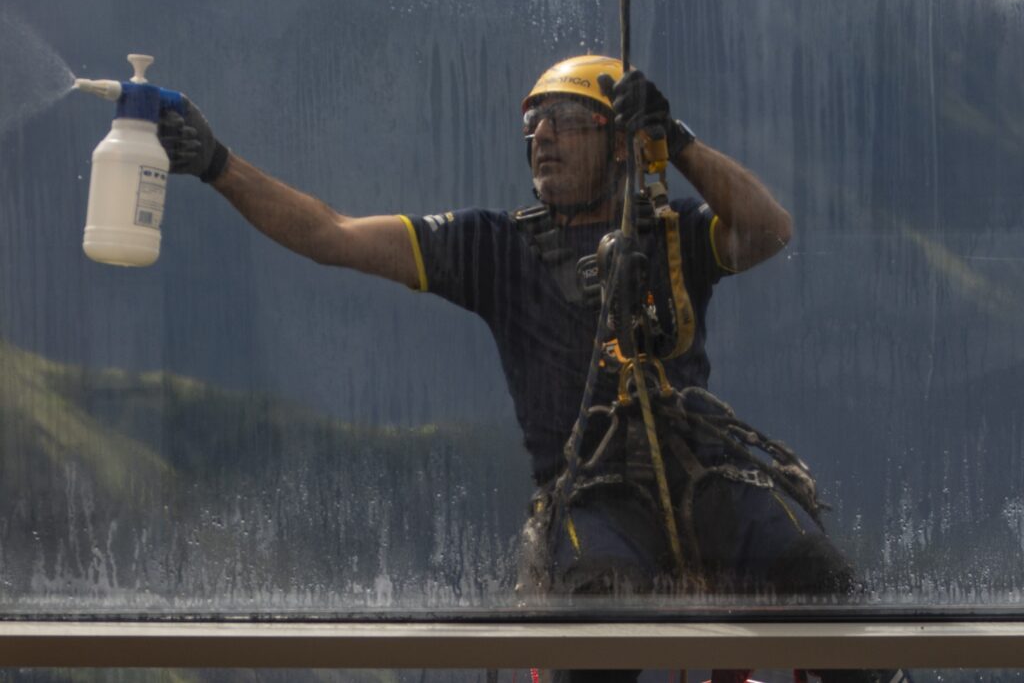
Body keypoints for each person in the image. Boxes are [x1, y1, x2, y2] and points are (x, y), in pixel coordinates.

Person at [160, 55, 860, 679]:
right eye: (534, 125)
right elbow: (330, 234)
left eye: (567, 121)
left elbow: (769, 230)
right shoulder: (493, 247)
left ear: (621, 145)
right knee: (596, 620)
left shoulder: (669, 231)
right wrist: (218, 164)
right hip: (596, 492)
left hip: (703, 472)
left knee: (821, 581)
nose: (543, 137)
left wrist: (675, 143)